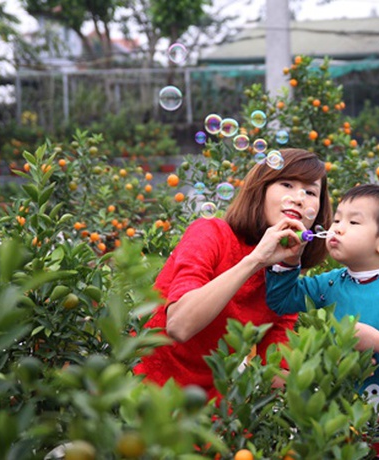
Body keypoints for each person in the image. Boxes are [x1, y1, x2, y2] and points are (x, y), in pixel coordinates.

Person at [262, 184, 379, 460]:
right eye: (336, 219)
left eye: (353, 221)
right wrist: (290, 259)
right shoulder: (331, 283)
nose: (337, 228)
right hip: (338, 417)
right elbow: (281, 300)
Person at [133, 148, 333, 400]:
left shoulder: (284, 286)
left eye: (311, 192)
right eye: (286, 184)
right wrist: (256, 260)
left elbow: (275, 377)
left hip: (214, 418)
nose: (298, 198)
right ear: (260, 190)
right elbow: (179, 326)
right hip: (148, 398)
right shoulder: (210, 233)